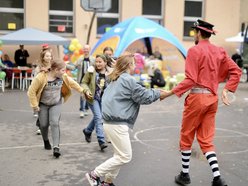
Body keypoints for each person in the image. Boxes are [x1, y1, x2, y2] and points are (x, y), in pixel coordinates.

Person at [161, 19, 241, 186]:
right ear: (209, 33)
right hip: (212, 99)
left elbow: (191, 79)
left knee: (187, 135)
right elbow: (236, 71)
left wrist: (169, 93)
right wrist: (227, 89)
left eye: (194, 32)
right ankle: (218, 178)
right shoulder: (219, 50)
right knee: (206, 139)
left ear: (198, 32)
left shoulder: (194, 51)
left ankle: (185, 175)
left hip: (197, 98)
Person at [85, 53, 167, 186]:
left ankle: (107, 182)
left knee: (119, 155)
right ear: (130, 65)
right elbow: (144, 96)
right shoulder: (127, 79)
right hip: (116, 123)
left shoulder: (116, 77)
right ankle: (94, 174)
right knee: (125, 156)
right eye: (134, 63)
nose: (135, 65)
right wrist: (159, 93)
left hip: (111, 122)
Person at [27, 59, 85, 158]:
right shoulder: (41, 77)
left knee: (54, 122)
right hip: (43, 104)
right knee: (44, 125)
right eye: (63, 70)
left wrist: (82, 91)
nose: (64, 72)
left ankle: (56, 147)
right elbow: (31, 91)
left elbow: (73, 83)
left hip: (56, 103)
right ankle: (45, 140)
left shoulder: (63, 77)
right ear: (55, 70)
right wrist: (35, 105)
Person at [82, 55, 109, 151]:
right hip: (92, 98)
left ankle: (87, 131)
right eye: (96, 62)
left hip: (103, 99)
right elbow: (84, 82)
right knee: (99, 117)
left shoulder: (109, 73)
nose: (98, 64)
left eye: (100, 62)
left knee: (98, 116)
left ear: (105, 62)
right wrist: (86, 90)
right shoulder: (91, 71)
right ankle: (101, 140)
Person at [67, 44, 95, 118]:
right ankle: (82, 110)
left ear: (90, 50)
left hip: (90, 80)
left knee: (89, 95)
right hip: (82, 80)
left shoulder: (93, 59)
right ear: (83, 50)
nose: (86, 50)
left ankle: (86, 108)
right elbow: (73, 67)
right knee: (82, 95)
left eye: (87, 49)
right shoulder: (80, 59)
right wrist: (65, 65)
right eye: (84, 49)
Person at [33, 47, 53, 135]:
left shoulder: (53, 65)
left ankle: (46, 126)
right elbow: (36, 78)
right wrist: (41, 71)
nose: (49, 58)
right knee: (42, 110)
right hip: (42, 91)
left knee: (50, 110)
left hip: (52, 91)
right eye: (47, 56)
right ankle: (40, 126)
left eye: (50, 56)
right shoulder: (39, 67)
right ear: (43, 57)